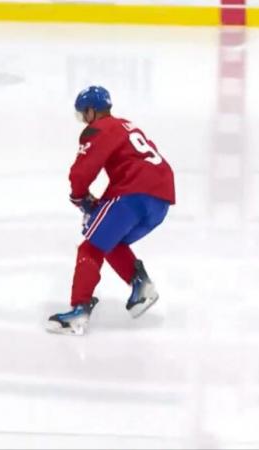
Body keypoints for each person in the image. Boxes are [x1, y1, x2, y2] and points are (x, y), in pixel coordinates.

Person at [46, 86, 176, 336]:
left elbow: (83, 171)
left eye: (84, 114)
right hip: (161, 198)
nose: (83, 119)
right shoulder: (127, 125)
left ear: (92, 112)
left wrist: (79, 196)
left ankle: (78, 311)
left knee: (90, 248)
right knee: (109, 241)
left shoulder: (99, 128)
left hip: (133, 194)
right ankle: (142, 287)